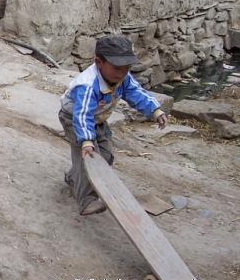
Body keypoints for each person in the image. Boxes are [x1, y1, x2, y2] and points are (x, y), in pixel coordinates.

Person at [58, 35, 167, 215]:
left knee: (106, 156)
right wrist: (86, 141)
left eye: (127, 68)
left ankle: (73, 178)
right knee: (90, 159)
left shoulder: (122, 78)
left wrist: (155, 111)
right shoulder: (87, 85)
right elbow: (82, 114)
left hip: (98, 120)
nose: (122, 73)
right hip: (75, 120)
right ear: (99, 62)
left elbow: (136, 93)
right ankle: (86, 201)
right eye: (117, 68)